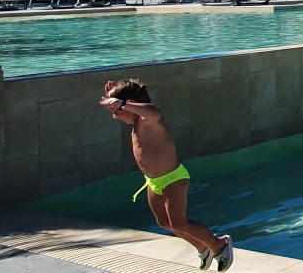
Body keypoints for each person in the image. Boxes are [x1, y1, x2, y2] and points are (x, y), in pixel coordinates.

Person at [99, 79, 234, 271]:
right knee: (164, 222)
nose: (114, 117)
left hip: (173, 178)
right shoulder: (136, 122)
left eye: (116, 112)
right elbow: (129, 109)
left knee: (179, 223)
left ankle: (219, 244)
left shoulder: (149, 121)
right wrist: (115, 102)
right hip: (153, 181)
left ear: (131, 104)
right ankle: (202, 247)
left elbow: (153, 110)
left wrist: (121, 104)